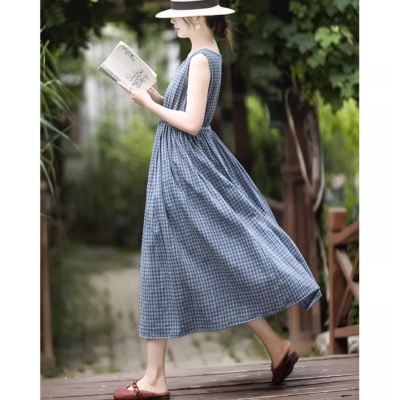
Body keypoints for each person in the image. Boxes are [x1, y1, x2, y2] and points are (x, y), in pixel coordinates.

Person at [113, 1, 322, 399]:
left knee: (164, 257)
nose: (173, 22)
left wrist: (148, 104)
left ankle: (155, 379)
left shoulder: (201, 60)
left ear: (195, 17)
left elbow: (193, 124)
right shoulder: (203, 55)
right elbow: (189, 112)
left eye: (175, 17)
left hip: (183, 171)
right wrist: (158, 96)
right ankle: (276, 346)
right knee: (213, 260)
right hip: (184, 166)